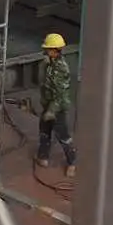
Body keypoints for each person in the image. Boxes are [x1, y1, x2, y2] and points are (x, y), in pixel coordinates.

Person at [34, 33, 75, 174]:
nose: (46, 51)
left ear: (55, 50)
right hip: (48, 105)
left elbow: (60, 93)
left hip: (57, 108)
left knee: (63, 135)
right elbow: (43, 82)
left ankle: (72, 163)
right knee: (44, 132)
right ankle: (42, 157)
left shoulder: (61, 68)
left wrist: (51, 111)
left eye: (48, 49)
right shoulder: (49, 63)